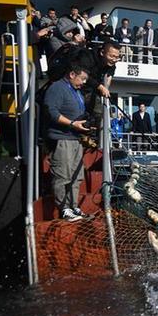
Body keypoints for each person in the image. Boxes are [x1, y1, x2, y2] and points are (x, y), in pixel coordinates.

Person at [43, 65, 91, 221]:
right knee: (63, 175)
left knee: (76, 176)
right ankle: (64, 208)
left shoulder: (76, 91)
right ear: (72, 74)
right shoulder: (57, 87)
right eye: (82, 79)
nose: (83, 83)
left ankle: (74, 206)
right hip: (62, 138)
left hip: (75, 138)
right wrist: (71, 124)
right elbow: (51, 111)